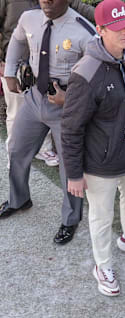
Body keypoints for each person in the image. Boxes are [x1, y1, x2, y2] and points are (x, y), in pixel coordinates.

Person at [61, 0, 125, 296]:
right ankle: (102, 264)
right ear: (100, 29)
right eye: (117, 29)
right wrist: (74, 174)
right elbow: (71, 128)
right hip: (99, 164)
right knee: (101, 217)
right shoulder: (86, 73)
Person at [0, 0, 95, 244]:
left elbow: (98, 77)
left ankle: (71, 219)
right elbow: (18, 40)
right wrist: (10, 71)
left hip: (65, 107)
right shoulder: (29, 18)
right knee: (17, 149)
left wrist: (72, 98)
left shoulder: (84, 31)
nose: (47, 1)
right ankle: (19, 199)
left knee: (69, 165)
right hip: (34, 98)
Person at [0, 0, 95, 167]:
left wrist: (110, 17)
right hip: (23, 77)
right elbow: (15, 38)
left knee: (68, 160)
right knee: (16, 120)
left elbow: (80, 7)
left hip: (55, 86)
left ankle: (43, 149)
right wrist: (8, 69)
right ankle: (15, 158)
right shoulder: (20, 10)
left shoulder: (79, 26)